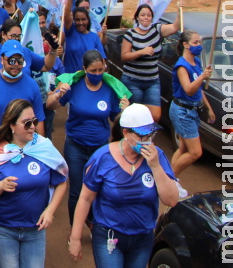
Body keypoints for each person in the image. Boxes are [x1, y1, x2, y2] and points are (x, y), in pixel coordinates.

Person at [68, 104, 179, 267]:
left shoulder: (157, 157)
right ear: (126, 133)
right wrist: (75, 238)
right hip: (109, 236)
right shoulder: (102, 158)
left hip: (142, 238)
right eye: (142, 135)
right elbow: (85, 198)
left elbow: (171, 200)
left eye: (151, 134)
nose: (148, 140)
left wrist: (155, 166)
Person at [0, 100, 68, 268]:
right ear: (12, 125)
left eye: (34, 122)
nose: (33, 127)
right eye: (27, 123)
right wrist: (0, 186)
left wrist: (50, 211)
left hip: (35, 230)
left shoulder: (44, 149)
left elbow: (62, 182)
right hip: (4, 229)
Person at [47, 50, 129, 227]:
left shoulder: (110, 89)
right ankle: (74, 228)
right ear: (84, 69)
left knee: (98, 188)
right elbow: (49, 105)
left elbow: (116, 119)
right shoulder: (73, 85)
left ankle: (93, 224)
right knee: (76, 190)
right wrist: (59, 94)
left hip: (100, 148)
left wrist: (125, 111)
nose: (98, 74)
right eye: (93, 71)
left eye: (101, 70)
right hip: (75, 146)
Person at [120, 1, 184, 123]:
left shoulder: (157, 30)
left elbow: (176, 27)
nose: (146, 17)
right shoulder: (130, 34)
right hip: (133, 80)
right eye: (143, 15)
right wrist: (141, 52)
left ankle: (148, 138)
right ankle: (134, 139)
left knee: (155, 116)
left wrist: (179, 10)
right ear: (137, 17)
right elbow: (124, 56)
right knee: (135, 115)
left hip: (152, 81)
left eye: (148, 15)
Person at [169, 29, 215, 176]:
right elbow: (189, 89)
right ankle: (170, 181)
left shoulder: (196, 61)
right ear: (185, 45)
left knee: (182, 148)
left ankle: (168, 176)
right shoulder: (182, 66)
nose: (199, 45)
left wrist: (208, 108)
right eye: (195, 42)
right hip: (182, 111)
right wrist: (202, 77)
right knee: (195, 152)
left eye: (199, 42)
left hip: (193, 110)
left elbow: (198, 90)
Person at [62, 0, 106, 74]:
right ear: (74, 20)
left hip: (88, 79)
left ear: (88, 19)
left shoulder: (94, 37)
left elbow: (102, 61)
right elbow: (66, 16)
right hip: (71, 78)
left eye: (83, 19)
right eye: (77, 20)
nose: (81, 22)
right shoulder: (71, 32)